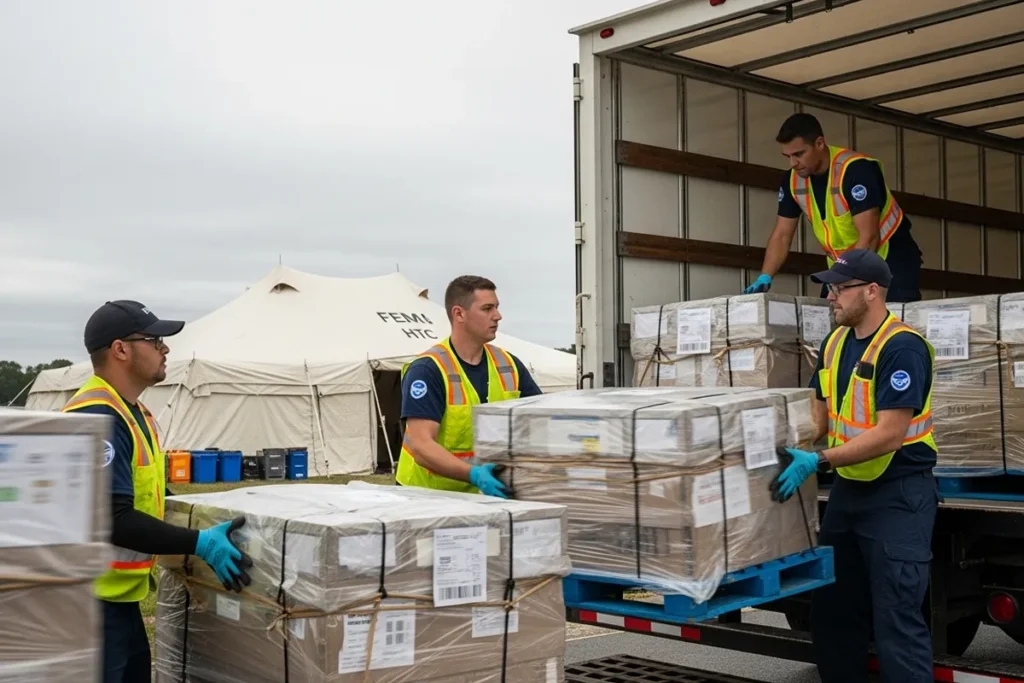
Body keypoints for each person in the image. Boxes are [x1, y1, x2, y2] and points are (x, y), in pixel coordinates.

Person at [769, 250, 938, 683]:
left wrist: (818, 459)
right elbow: (820, 414)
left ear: (871, 291)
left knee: (897, 621)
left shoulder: (902, 347)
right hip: (849, 493)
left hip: (897, 495)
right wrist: (770, 445)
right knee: (832, 615)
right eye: (830, 288)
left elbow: (889, 433)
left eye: (839, 289)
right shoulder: (834, 344)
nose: (830, 297)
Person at [62, 300, 252, 683]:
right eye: (155, 340)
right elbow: (111, 517)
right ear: (120, 349)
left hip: (119, 598)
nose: (166, 349)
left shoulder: (135, 412)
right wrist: (200, 542)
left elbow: (149, 492)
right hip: (88, 602)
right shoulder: (98, 416)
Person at [744, 112, 923, 303]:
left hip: (890, 257)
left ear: (820, 144)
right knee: (833, 322)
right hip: (845, 263)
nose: (793, 163)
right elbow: (782, 235)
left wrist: (842, 280)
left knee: (890, 323)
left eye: (799, 154)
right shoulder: (793, 180)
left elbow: (869, 236)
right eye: (787, 156)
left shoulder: (855, 170)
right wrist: (765, 276)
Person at [396, 275, 543, 496]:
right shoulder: (428, 370)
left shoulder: (509, 365)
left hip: (481, 495)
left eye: (497, 307)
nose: (498, 316)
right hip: (426, 496)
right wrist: (474, 474)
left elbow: (539, 422)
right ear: (459, 314)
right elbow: (421, 446)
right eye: (487, 308)